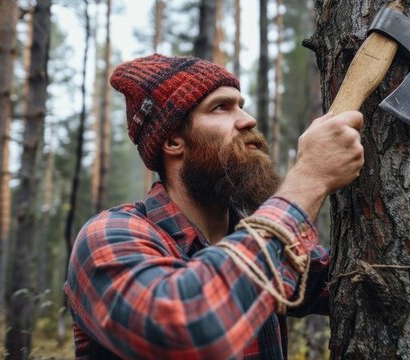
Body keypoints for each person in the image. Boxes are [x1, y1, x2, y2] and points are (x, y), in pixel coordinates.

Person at [64, 54, 364, 359]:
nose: (248, 119)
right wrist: (309, 179)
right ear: (172, 141)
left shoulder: (250, 239)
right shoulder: (110, 236)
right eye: (221, 107)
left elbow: (357, 283)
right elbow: (191, 328)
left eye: (240, 104)